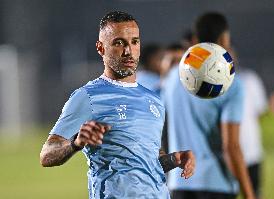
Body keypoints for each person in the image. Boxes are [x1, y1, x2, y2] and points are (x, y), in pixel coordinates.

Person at [39, 11, 195, 199]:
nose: (128, 50)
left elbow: (150, 160)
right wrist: (76, 143)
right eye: (119, 43)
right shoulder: (87, 96)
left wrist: (173, 159)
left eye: (134, 42)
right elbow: (47, 155)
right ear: (101, 48)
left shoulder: (153, 99)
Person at [163, 12, 256, 199]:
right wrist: (249, 195)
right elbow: (231, 147)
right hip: (217, 185)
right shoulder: (231, 83)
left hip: (179, 183)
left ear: (195, 38)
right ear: (224, 38)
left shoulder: (173, 77)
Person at [230, 47, 267, 199]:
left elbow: (260, 111)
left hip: (251, 153)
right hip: (226, 156)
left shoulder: (250, 79)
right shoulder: (210, 86)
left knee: (255, 193)